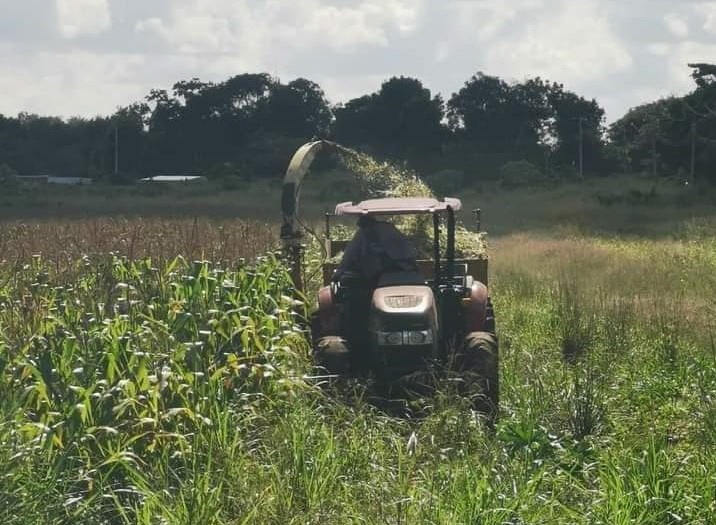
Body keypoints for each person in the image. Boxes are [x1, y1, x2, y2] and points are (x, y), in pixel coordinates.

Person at [334, 215, 418, 287]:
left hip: (382, 273)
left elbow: (349, 254)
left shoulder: (364, 233)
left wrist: (339, 272)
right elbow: (409, 249)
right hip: (406, 269)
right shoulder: (389, 228)